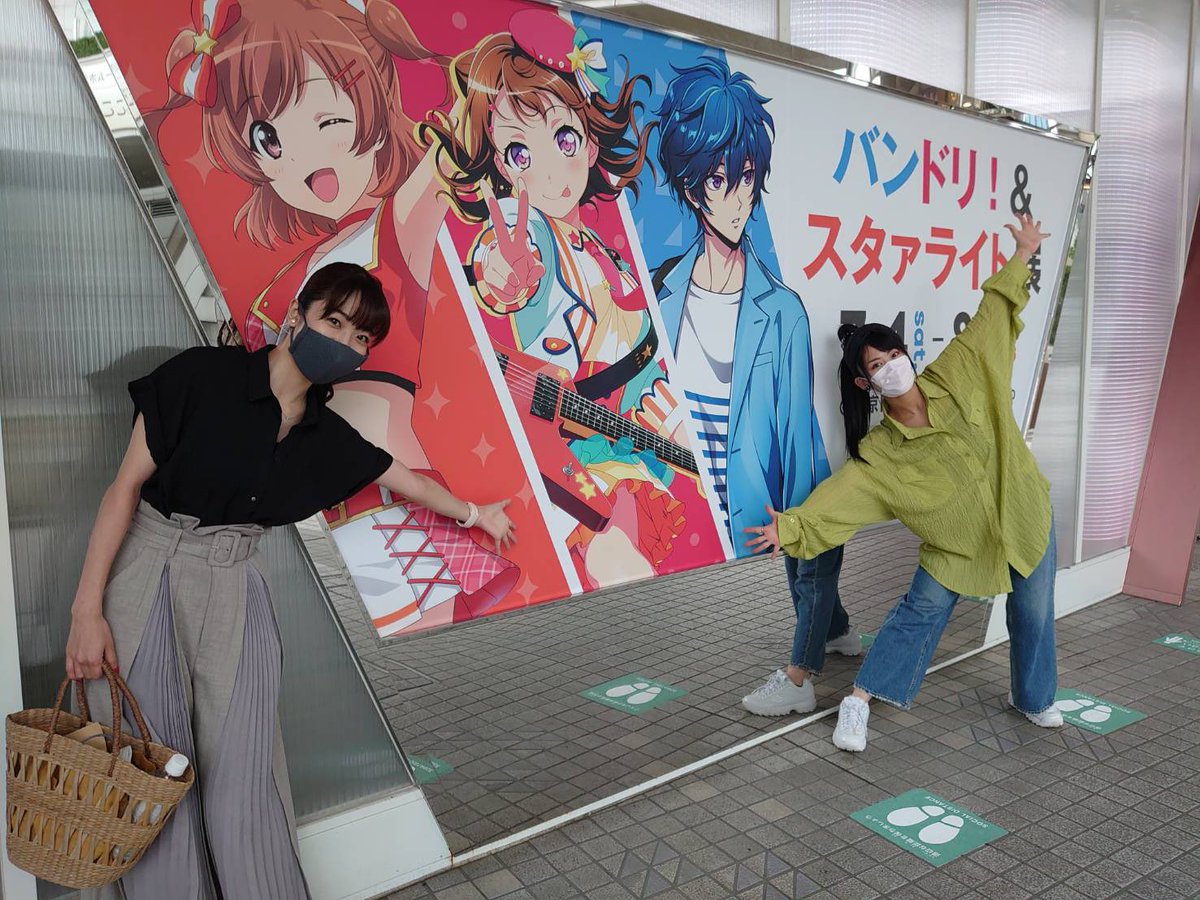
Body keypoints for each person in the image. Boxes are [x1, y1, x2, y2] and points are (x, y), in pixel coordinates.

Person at [64, 263, 515, 898]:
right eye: (335, 321)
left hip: (236, 584)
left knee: (247, 770)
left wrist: (475, 515)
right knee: (151, 767)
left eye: (361, 338)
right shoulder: (201, 376)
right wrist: (86, 611)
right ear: (298, 314)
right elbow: (123, 490)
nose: (346, 343)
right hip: (151, 567)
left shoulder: (325, 436)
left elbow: (403, 479)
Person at [148, 0, 516, 635]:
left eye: (329, 120)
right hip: (299, 510)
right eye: (270, 139)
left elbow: (449, 156)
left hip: (391, 508)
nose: (306, 158)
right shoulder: (286, 291)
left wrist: (490, 82)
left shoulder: (394, 231)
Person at [745, 213, 1062, 752]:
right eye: (877, 364)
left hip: (1025, 514)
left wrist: (1023, 254)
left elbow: (992, 312)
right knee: (918, 614)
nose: (892, 365)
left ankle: (1033, 697)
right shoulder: (881, 454)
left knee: (1033, 611)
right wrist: (790, 529)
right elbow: (840, 498)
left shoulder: (958, 370)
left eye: (894, 354)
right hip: (956, 546)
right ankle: (859, 701)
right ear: (865, 381)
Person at [421, 9, 700, 589]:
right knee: (621, 569)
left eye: (563, 138)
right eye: (520, 154)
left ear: (591, 143)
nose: (548, 170)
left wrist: (672, 417)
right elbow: (503, 266)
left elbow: (639, 359)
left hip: (637, 446)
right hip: (580, 462)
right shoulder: (530, 233)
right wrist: (503, 274)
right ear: (502, 167)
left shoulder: (602, 249)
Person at [650, 58, 860, 718]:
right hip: (683, 496)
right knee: (805, 563)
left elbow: (796, 437)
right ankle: (836, 630)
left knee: (807, 558)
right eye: (718, 179)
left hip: (760, 494)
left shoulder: (782, 309)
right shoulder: (660, 292)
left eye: (745, 176)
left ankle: (801, 678)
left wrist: (802, 524)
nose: (737, 197)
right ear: (691, 186)